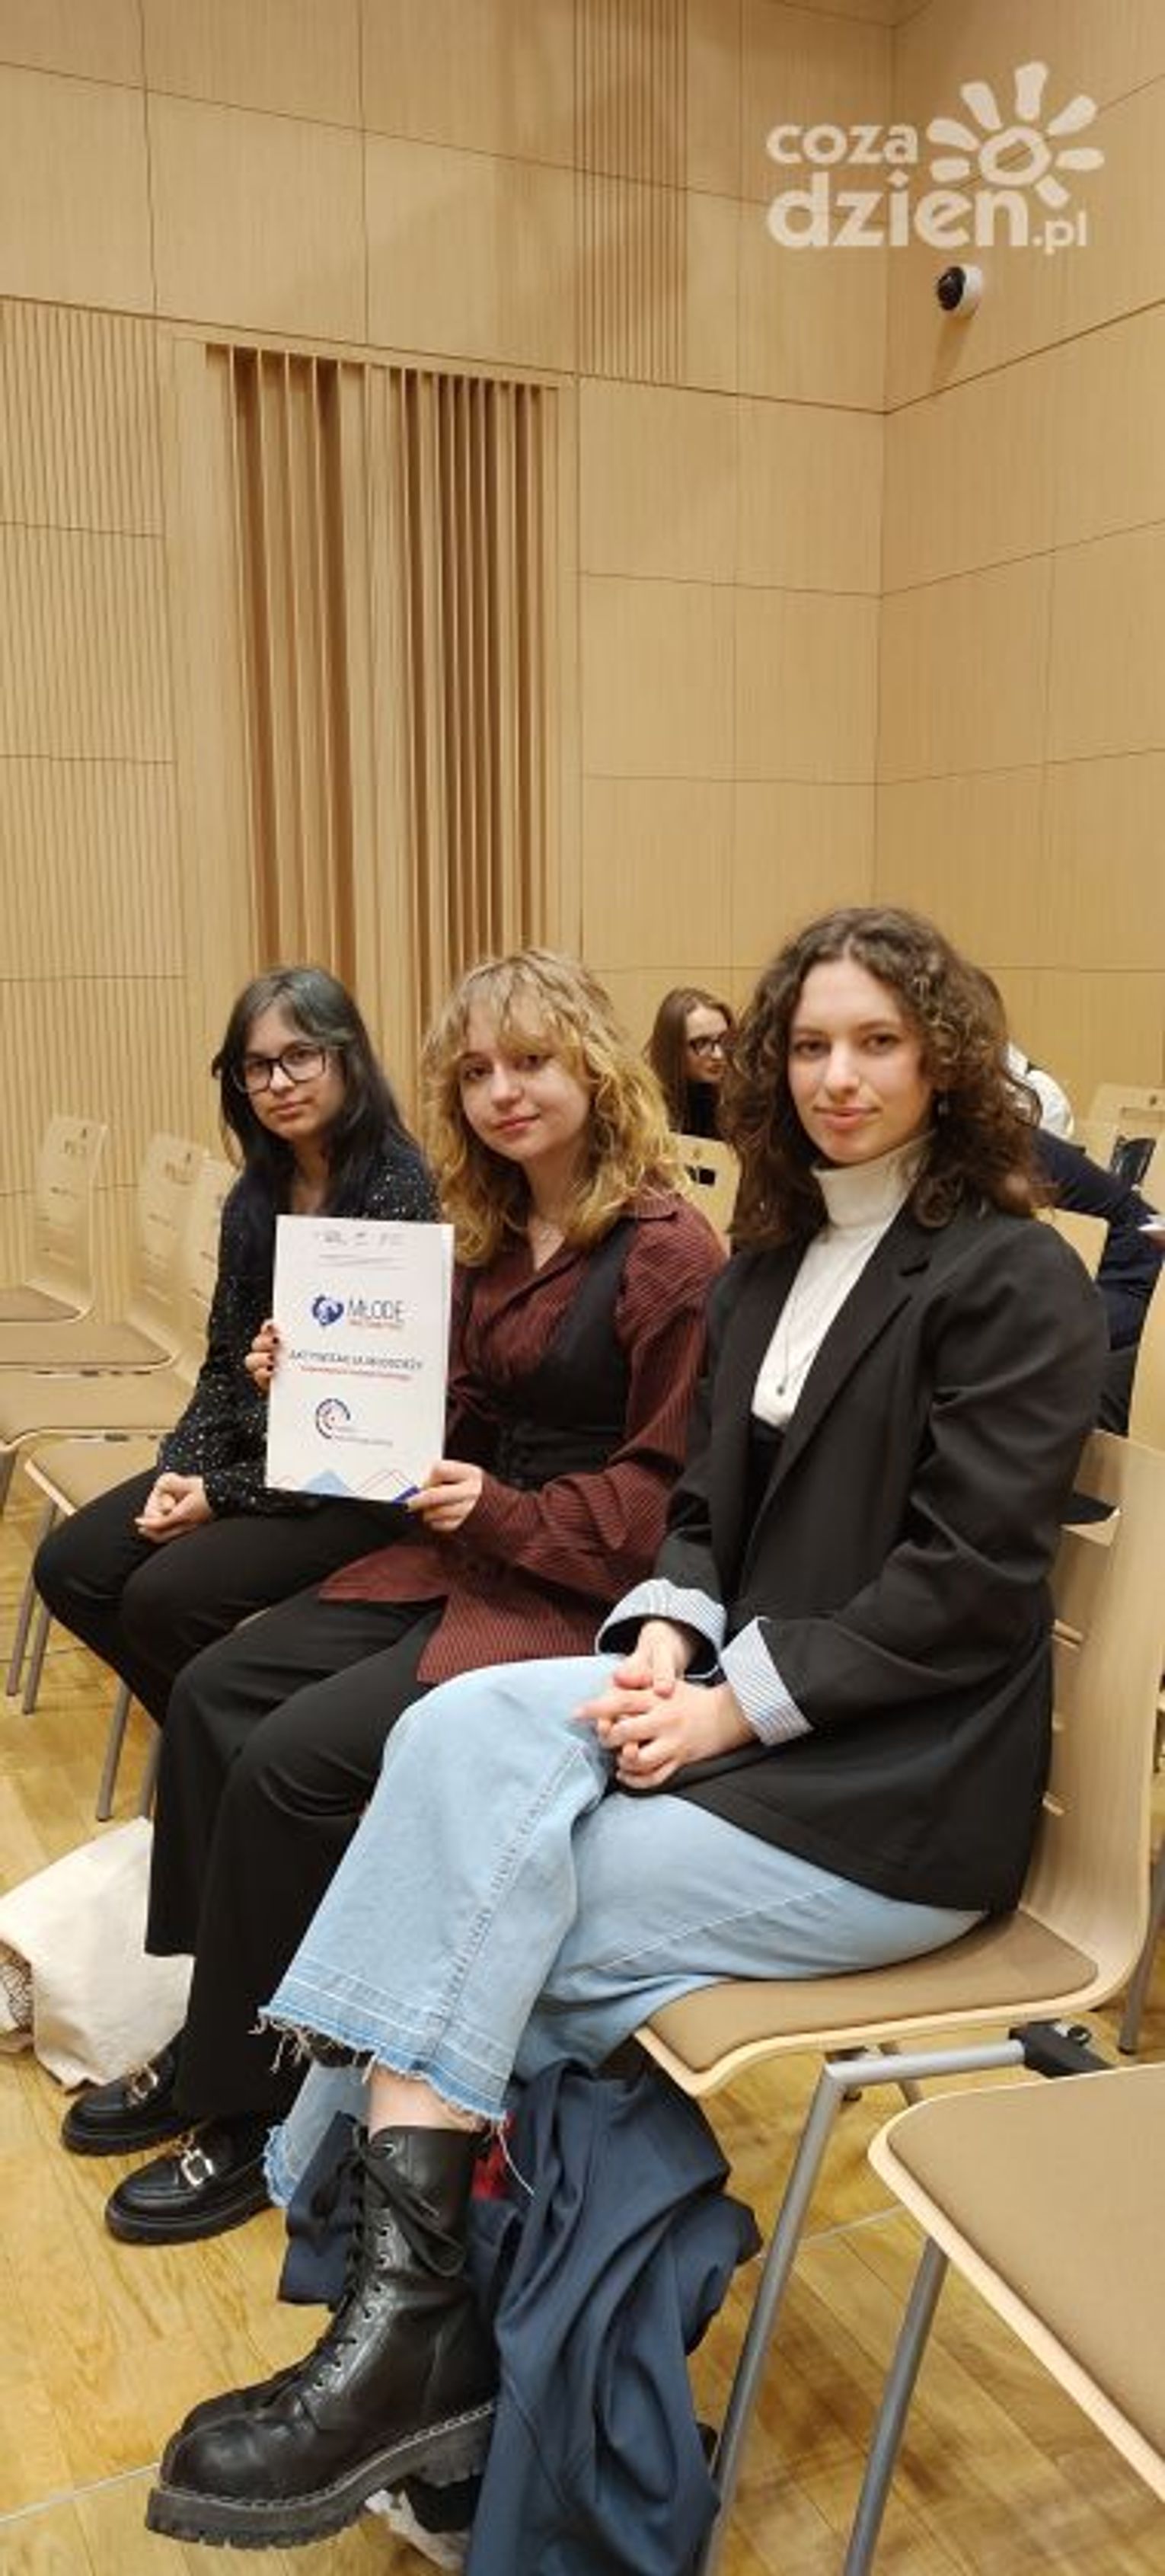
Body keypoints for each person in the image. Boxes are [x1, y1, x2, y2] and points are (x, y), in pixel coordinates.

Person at [145, 906, 1106, 2554]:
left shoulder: (1014, 1275)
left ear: (946, 1059)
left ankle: (394, 2315)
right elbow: (703, 1517)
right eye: (811, 1044)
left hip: (892, 1792)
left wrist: (730, 1703)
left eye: (878, 1041)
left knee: (485, 1927)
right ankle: (425, 2334)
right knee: (448, 1748)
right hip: (743, 1714)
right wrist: (667, 1636)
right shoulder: (773, 1267)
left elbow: (962, 1589)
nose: (839, 1076)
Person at [65, 950, 723, 2245]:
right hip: (461, 1553)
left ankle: (249, 2105)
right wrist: (311, 1375)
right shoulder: (495, 1228)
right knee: (211, 1696)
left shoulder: (668, 1254)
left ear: (594, 1066)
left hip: (568, 1593)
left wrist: (503, 1508)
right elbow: (444, 1417)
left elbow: (664, 1498)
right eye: (475, 1071)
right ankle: (221, 2022)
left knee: (290, 1762)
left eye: (530, 1061)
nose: (501, 1091)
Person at [34, 966, 436, 1727]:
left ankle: (227, 1752)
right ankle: (215, 1748)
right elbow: (224, 1363)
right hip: (259, 1459)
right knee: (70, 1566)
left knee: (162, 1600)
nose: (278, 1082)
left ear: (347, 1057)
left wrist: (219, 1496)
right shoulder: (256, 1194)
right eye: (257, 1066)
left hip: (353, 1489)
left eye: (300, 1056)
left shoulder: (398, 1190)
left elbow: (366, 1433)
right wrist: (182, 1468)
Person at [647, 986, 735, 1136]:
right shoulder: (648, 1112)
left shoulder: (741, 1099)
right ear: (673, 1048)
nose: (719, 1055)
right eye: (701, 1043)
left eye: (724, 1039)